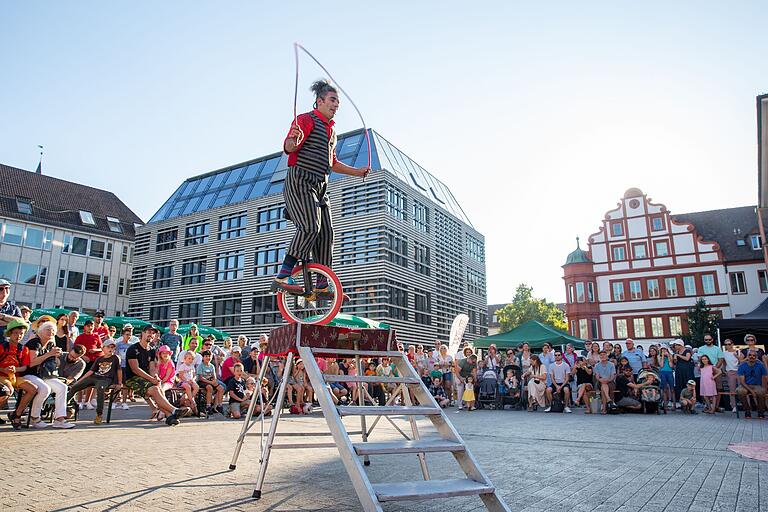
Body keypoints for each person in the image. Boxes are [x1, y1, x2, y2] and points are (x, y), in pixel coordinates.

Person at [271, 79, 370, 297]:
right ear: (319, 101)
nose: (336, 105)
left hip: (321, 186)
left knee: (327, 233)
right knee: (310, 227)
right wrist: (292, 142)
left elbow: (332, 163)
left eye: (338, 102)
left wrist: (358, 172)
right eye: (333, 100)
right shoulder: (305, 120)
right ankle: (283, 275)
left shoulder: (332, 132)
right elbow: (289, 147)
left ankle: (322, 283)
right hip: (300, 181)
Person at [124, 325, 190, 426]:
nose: (151, 334)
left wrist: (156, 377)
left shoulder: (152, 349)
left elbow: (152, 368)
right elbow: (135, 369)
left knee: (158, 387)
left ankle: (169, 416)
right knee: (155, 389)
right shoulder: (133, 349)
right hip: (131, 378)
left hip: (145, 378)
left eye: (153, 333)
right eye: (149, 332)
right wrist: (151, 379)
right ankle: (174, 410)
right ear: (143, 333)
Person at [24, 320, 75, 428]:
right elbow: (32, 363)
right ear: (41, 331)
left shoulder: (51, 344)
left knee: (62, 387)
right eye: (48, 329)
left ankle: (59, 419)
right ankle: (34, 417)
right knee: (44, 388)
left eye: (53, 330)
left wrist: (56, 356)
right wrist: (49, 354)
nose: (51, 332)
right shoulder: (34, 342)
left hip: (45, 374)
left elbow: (53, 363)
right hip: (30, 373)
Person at [67, 338, 122, 424]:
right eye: (108, 347)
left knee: (100, 388)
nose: (111, 349)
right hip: (95, 377)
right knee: (75, 387)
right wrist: (80, 380)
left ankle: (99, 414)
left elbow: (119, 370)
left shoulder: (115, 358)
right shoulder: (99, 359)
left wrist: (119, 383)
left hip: (106, 378)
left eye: (112, 347)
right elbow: (91, 371)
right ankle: (62, 407)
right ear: (103, 348)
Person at [0, 319, 40, 429]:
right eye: (16, 333)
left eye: (21, 334)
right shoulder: (2, 346)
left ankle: (16, 414)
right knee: (8, 390)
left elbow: (24, 367)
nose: (18, 336)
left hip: (16, 376)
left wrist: (16, 369)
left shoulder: (24, 349)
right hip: (2, 376)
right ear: (10, 334)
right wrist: (4, 370)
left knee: (33, 389)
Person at [736, 350, 768, 419]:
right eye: (750, 355)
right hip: (745, 385)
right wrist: (752, 391)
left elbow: (765, 377)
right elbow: (742, 381)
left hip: (757, 385)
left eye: (754, 355)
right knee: (740, 391)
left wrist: (764, 387)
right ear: (747, 356)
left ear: (756, 357)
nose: (752, 357)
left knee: (762, 392)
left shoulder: (760, 365)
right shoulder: (742, 366)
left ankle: (760, 412)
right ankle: (747, 411)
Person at [197, 349, 225, 415]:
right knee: (209, 387)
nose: (208, 358)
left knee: (221, 388)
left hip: (210, 380)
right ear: (203, 357)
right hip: (202, 381)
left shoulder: (212, 366)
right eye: (206, 356)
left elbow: (214, 376)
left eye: (209, 356)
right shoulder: (200, 366)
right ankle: (208, 405)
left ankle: (219, 405)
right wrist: (211, 382)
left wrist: (214, 381)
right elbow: (201, 378)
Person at [722, 339, 741, 412]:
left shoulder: (738, 351)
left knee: (742, 389)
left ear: (732, 344)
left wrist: (737, 356)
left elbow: (742, 361)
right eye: (726, 344)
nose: (727, 346)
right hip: (730, 372)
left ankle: (746, 405)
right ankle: (734, 406)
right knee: (732, 389)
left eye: (729, 344)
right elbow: (724, 363)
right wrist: (724, 371)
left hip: (739, 371)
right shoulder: (724, 353)